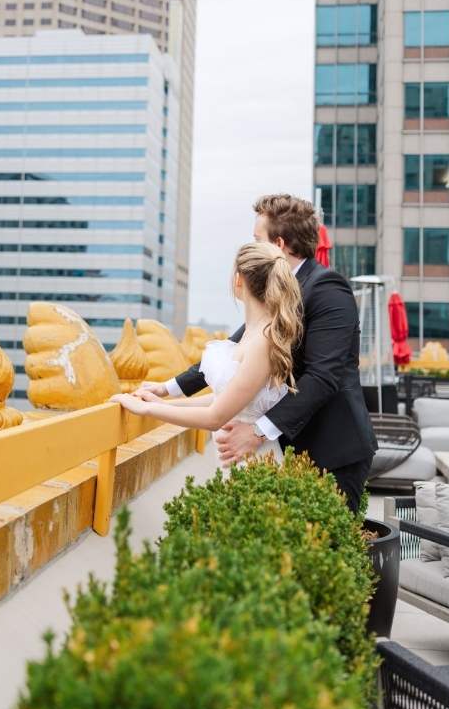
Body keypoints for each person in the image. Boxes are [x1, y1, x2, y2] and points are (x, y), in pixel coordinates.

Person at [132, 194, 377, 514]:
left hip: (330, 448)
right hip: (286, 447)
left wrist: (258, 431)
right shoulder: (273, 293)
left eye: (256, 239)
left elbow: (323, 375)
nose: (250, 247)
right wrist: (166, 388)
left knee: (322, 550)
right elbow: (230, 353)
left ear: (278, 244)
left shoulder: (328, 289)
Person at [111, 241, 301, 464]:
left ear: (239, 279)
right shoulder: (257, 333)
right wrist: (165, 405)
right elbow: (223, 398)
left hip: (253, 462)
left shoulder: (263, 339)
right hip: (241, 458)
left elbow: (214, 417)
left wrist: (147, 409)